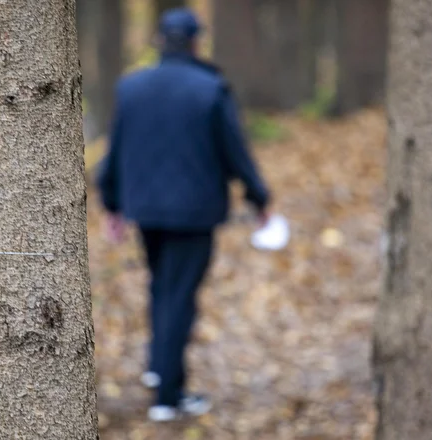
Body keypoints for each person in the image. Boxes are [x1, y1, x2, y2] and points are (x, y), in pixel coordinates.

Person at [96, 7, 271, 422]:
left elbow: (115, 150)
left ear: (160, 41)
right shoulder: (210, 88)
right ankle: (166, 396)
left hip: (147, 212)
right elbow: (235, 153)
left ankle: (160, 371)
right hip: (195, 213)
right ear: (195, 42)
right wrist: (259, 198)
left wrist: (112, 203)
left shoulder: (131, 87)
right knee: (178, 297)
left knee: (162, 289)